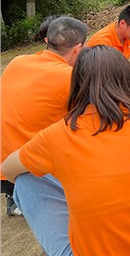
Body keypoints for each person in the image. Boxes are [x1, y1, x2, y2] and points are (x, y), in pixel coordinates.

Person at [1, 46, 130, 255]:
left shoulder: (56, 135)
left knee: (25, 181)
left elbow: (8, 170)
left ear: (76, 85)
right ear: (127, 80)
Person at [1, 17, 87, 216]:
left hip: (5, 167)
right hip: (32, 171)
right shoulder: (69, 76)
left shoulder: (17, 62)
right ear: (78, 48)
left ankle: (15, 200)